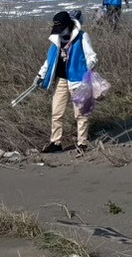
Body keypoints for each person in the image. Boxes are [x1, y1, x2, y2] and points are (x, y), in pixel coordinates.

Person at [38, 9, 99, 153]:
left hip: (78, 80)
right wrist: (40, 75)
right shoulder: (56, 40)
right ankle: (55, 142)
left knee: (81, 113)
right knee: (56, 112)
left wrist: (86, 70)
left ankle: (82, 143)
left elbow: (92, 57)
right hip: (61, 79)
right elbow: (50, 60)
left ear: (68, 25)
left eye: (62, 29)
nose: (60, 32)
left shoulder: (82, 37)